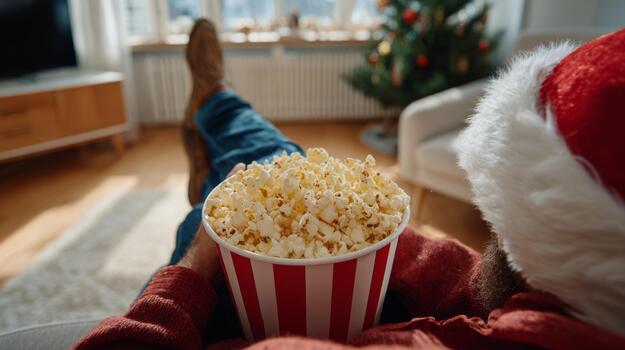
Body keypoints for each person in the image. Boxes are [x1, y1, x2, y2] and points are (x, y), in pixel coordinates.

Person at [72, 21, 625, 349]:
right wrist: (361, 220)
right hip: (364, 281)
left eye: (503, 225)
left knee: (230, 198)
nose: (493, 233)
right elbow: (471, 284)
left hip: (239, 315)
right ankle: (215, 112)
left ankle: (214, 108)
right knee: (280, 170)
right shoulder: (553, 317)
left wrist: (190, 272)